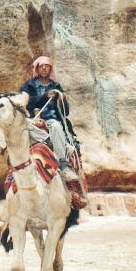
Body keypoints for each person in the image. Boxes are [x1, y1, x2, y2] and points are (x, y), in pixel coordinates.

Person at [19, 56, 87, 209]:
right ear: (36, 69)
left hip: (51, 120)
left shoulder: (56, 86)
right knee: (23, 126)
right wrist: (44, 97)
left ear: (50, 69)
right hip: (33, 120)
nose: (44, 69)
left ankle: (63, 164)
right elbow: (27, 103)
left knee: (56, 126)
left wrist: (61, 99)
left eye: (47, 67)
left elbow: (66, 111)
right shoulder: (28, 86)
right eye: (42, 66)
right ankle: (49, 140)